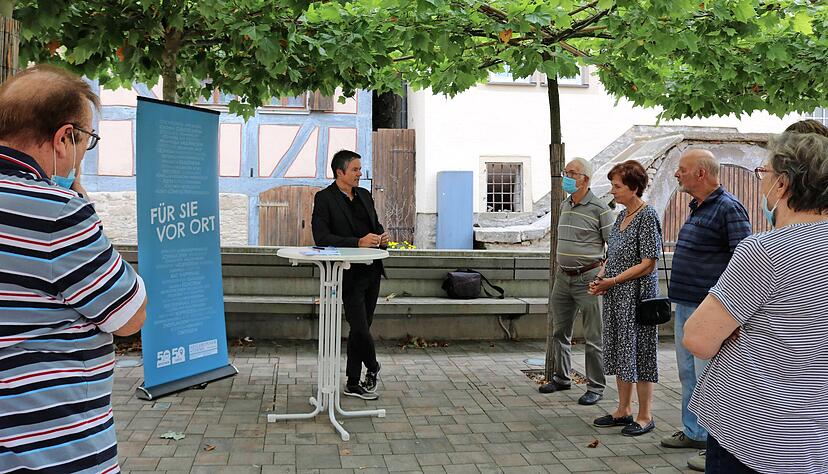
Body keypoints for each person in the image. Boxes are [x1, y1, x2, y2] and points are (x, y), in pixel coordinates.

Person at [0, 65, 146, 472]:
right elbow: (130, 315)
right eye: (87, 141)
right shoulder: (56, 214)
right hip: (48, 447)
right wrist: (78, 210)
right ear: (64, 137)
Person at [684, 132, 828, 474]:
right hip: (815, 438)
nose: (761, 184)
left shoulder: (766, 249)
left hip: (757, 435)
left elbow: (698, 339)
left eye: (764, 174)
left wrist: (740, 326)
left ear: (783, 185)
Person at [662, 149, 752, 471]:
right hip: (686, 305)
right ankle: (694, 432)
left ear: (701, 174)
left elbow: (744, 262)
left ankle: (715, 446)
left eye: (682, 169)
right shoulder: (697, 206)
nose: (677, 174)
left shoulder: (729, 208)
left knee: (709, 378)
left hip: (709, 309)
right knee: (688, 374)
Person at [588, 160, 662, 437]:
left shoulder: (647, 215)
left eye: (617, 186)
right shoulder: (621, 216)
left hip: (637, 298)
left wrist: (614, 280)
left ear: (633, 188)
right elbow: (612, 255)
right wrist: (601, 279)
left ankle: (645, 415)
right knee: (622, 351)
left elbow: (648, 263)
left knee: (641, 354)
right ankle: (623, 409)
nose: (612, 191)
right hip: (617, 296)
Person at [312, 149, 388, 400]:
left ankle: (353, 382)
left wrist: (381, 237)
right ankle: (373, 365)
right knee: (359, 326)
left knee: (361, 328)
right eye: (355, 169)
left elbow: (375, 227)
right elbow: (322, 238)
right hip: (346, 273)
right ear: (340, 172)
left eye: (360, 169)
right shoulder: (324, 199)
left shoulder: (365, 195)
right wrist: (358, 242)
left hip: (372, 270)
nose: (359, 174)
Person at [539, 157, 613, 405]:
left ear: (586, 179)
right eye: (565, 172)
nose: (566, 178)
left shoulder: (600, 209)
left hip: (589, 278)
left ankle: (596, 386)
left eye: (572, 173)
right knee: (559, 331)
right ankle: (562, 377)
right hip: (563, 278)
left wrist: (602, 275)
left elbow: (613, 246)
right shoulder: (565, 205)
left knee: (594, 336)